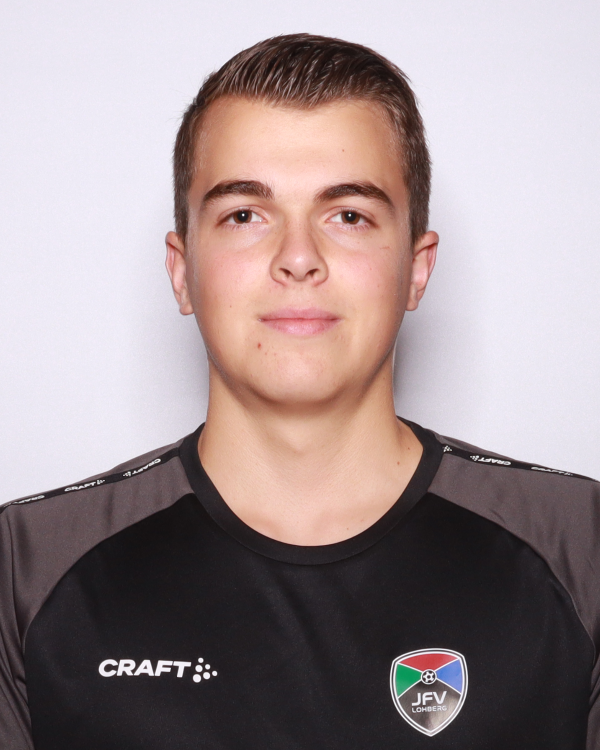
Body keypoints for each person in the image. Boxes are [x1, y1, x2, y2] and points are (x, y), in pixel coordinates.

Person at [0, 33, 598, 750]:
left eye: (348, 215)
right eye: (244, 215)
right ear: (182, 272)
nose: (298, 258)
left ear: (417, 268)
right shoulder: (27, 566)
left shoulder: (580, 548)